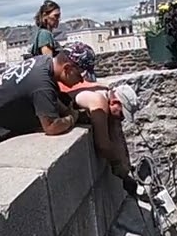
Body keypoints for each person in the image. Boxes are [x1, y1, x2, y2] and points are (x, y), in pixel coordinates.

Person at [0, 50, 87, 159]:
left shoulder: (43, 62)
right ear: (67, 68)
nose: (81, 81)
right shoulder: (42, 84)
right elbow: (51, 127)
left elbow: (51, 99)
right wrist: (71, 119)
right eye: (79, 76)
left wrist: (66, 110)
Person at [55, 42, 137, 178]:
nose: (121, 118)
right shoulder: (99, 101)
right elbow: (103, 144)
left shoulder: (103, 89)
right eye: (122, 113)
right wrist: (118, 165)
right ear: (115, 101)